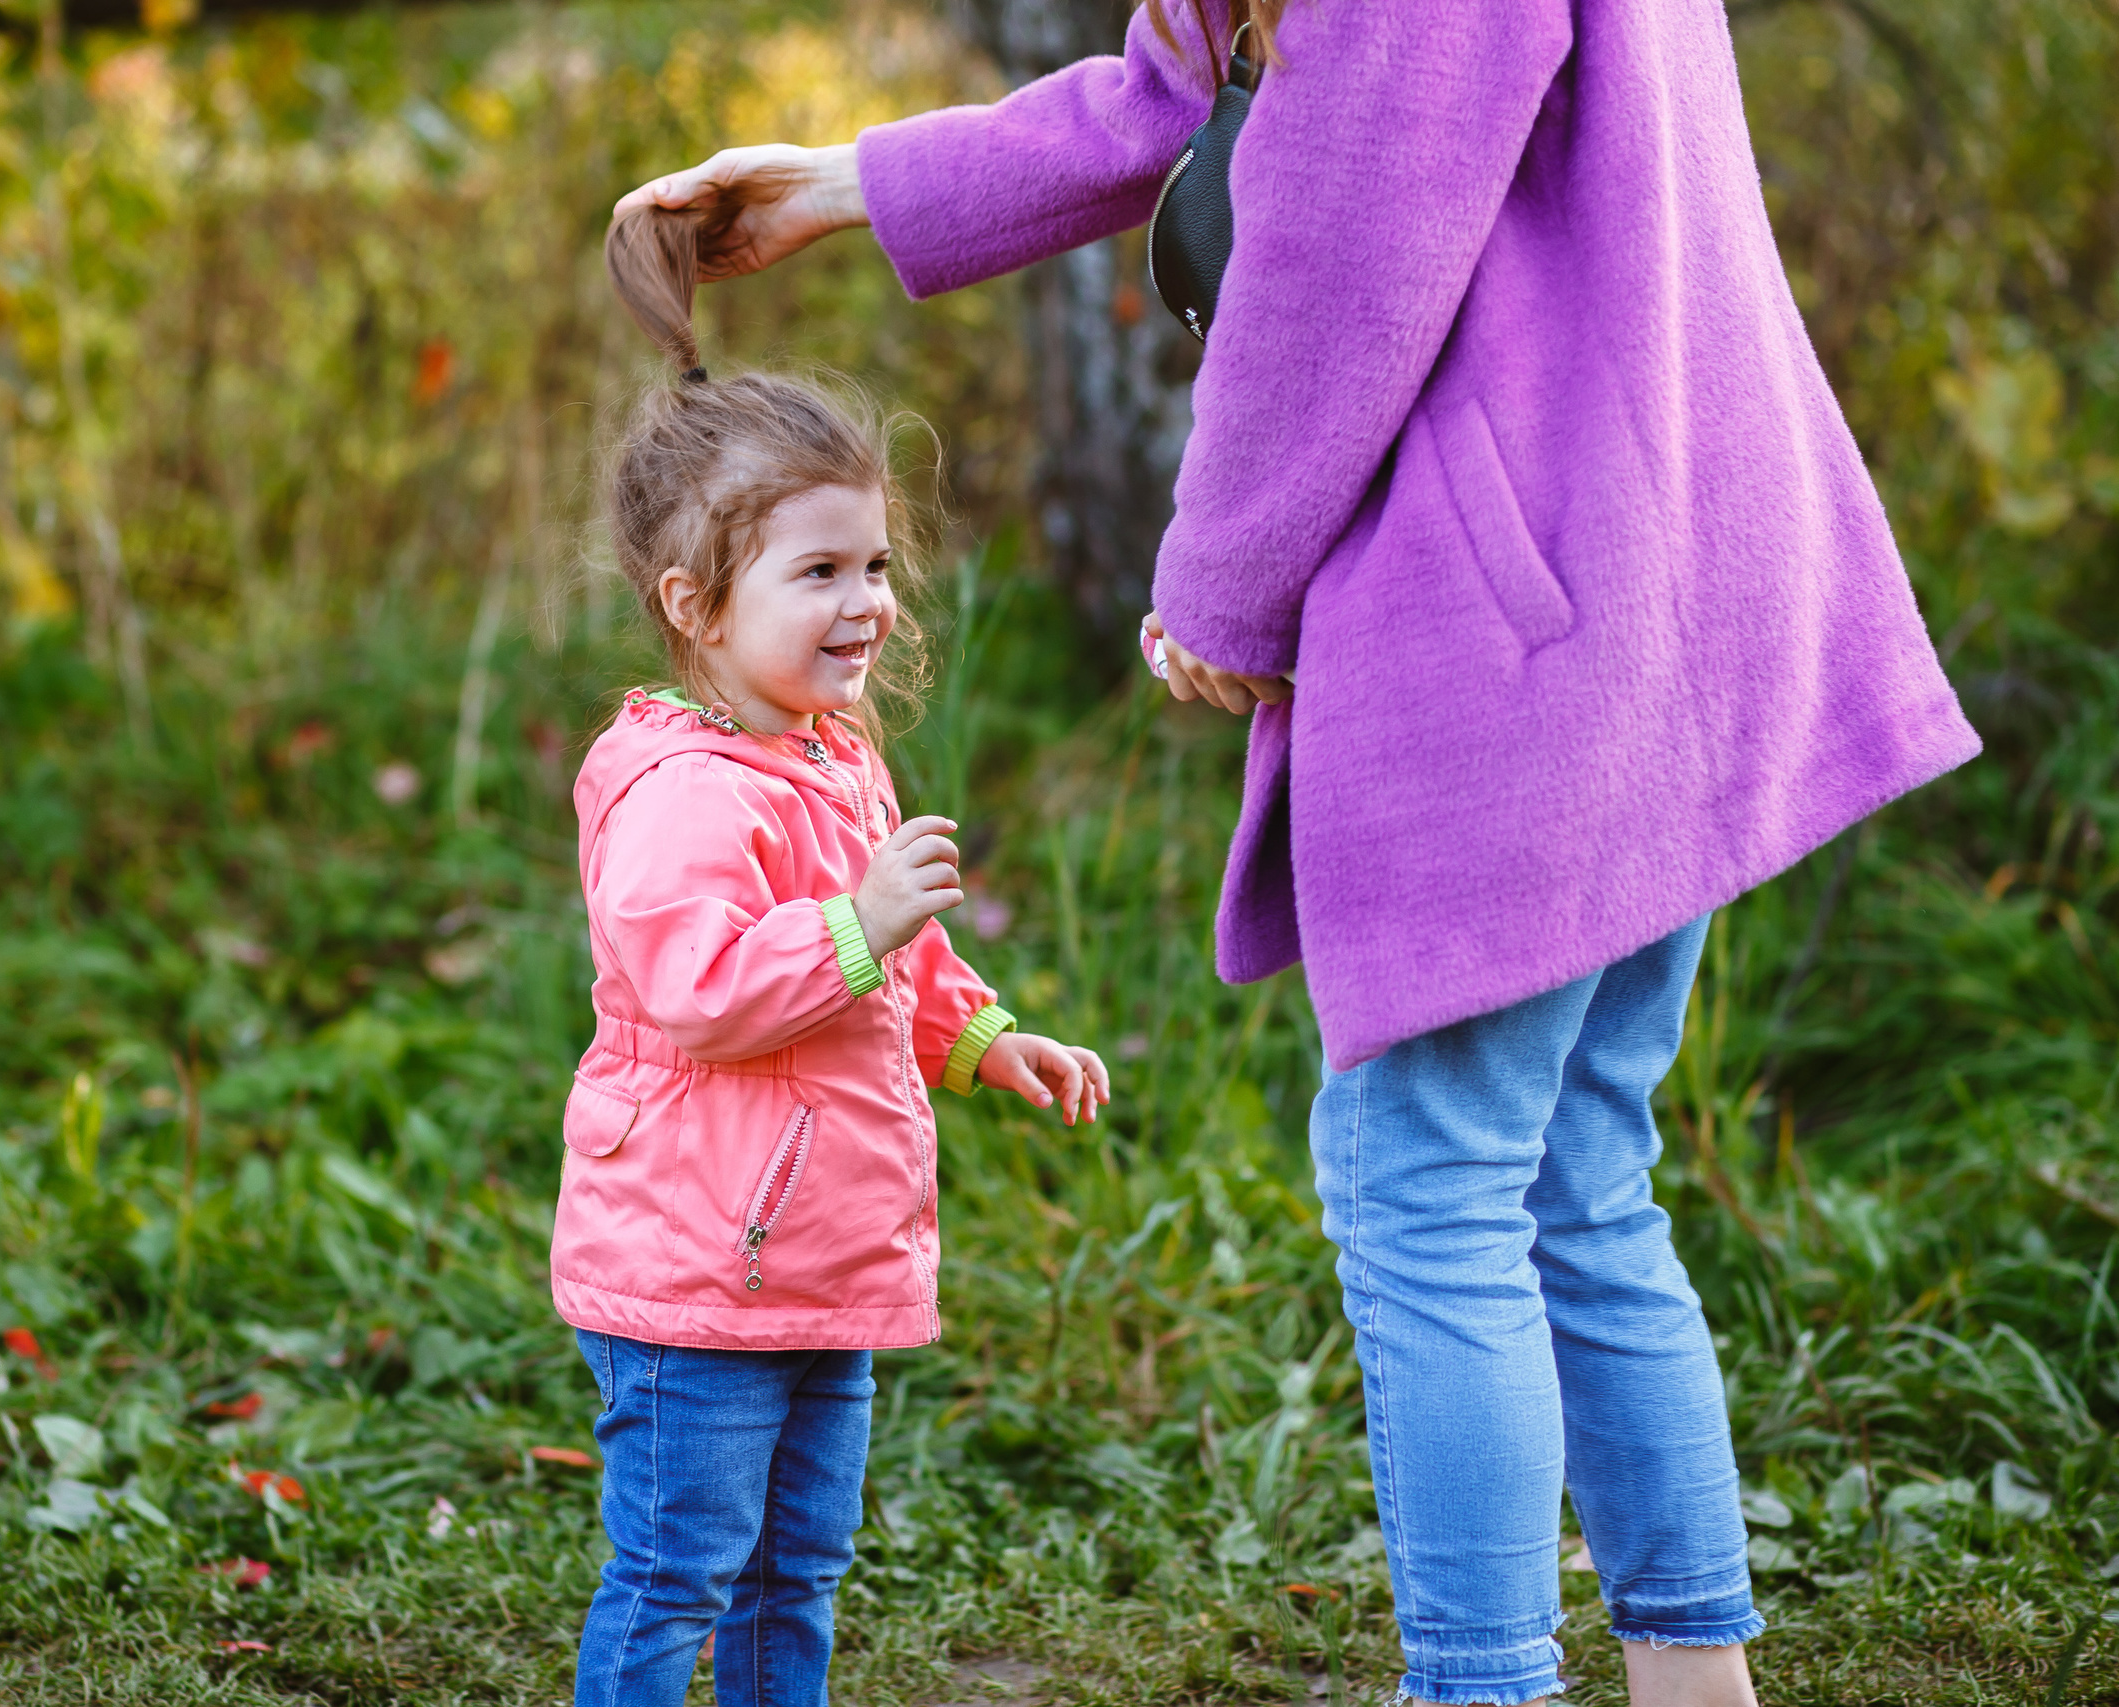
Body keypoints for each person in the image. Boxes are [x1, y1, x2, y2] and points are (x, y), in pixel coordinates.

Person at [613, 0, 1982, 1702]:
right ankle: (1693, 1688)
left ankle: (1482, 1686)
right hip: (1660, 568)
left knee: (1432, 1182)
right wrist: (839, 185)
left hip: (1542, 618)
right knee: (1576, 1182)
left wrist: (1223, 577)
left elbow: (1350, 238)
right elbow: (1178, 91)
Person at [554, 208, 1111, 1707]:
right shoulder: (680, 794)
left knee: (797, 1573)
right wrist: (857, 924)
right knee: (681, 1571)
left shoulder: (832, 754)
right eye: (818, 574)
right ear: (696, 606)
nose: (866, 602)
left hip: (820, 1260)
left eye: (873, 564)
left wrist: (988, 1038)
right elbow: (702, 994)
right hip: (695, 1268)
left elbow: (902, 973)